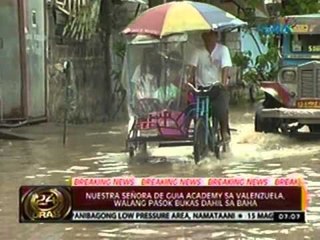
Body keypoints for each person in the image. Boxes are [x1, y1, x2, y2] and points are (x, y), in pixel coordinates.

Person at [186, 30, 232, 142]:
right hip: (201, 87)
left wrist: (224, 83)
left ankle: (224, 131)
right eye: (206, 35)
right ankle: (199, 134)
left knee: (222, 108)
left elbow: (225, 68)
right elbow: (191, 69)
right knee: (194, 110)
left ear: (216, 36)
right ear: (203, 37)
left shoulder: (223, 50)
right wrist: (188, 82)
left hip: (217, 87)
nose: (209, 38)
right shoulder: (198, 51)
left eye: (212, 35)